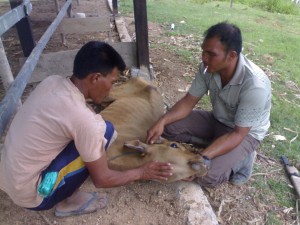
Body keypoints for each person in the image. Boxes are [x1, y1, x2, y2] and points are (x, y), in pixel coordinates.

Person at [0, 41, 173, 217]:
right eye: (112, 82)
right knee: (104, 131)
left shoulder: (51, 81)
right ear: (96, 78)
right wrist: (142, 172)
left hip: (8, 178)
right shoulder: (85, 122)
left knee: (95, 130)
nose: (111, 89)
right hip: (33, 195)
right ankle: (70, 201)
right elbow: (102, 179)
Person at [147, 22, 271, 187]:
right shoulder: (207, 68)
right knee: (169, 127)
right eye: (203, 51)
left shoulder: (255, 86)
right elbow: (188, 101)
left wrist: (201, 159)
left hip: (244, 133)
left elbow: (238, 134)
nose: (203, 58)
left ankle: (243, 160)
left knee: (205, 176)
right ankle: (216, 146)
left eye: (211, 54)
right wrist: (162, 121)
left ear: (232, 56)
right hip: (218, 120)